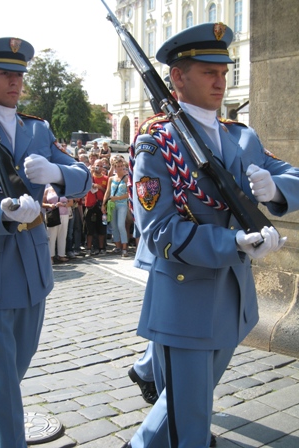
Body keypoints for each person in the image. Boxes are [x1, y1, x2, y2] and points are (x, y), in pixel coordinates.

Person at [123, 22, 299, 448]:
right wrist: (232, 243)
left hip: (235, 301)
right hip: (183, 303)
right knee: (191, 427)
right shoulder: (156, 143)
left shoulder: (242, 136)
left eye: (224, 71)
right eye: (208, 71)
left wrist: (276, 190)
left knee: (189, 406)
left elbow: (292, 176)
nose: (221, 81)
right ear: (178, 77)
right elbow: (158, 231)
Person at [0, 37, 91, 448]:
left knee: (23, 356)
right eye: (5, 73)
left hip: (34, 261)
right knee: (1, 372)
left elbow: (83, 178)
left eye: (19, 74)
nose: (15, 82)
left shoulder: (37, 128)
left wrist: (56, 171)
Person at [102, 156, 129, 257]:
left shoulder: (126, 179)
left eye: (121, 166)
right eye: (118, 166)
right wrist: (104, 204)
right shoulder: (111, 179)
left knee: (121, 225)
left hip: (122, 204)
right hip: (112, 204)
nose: (120, 168)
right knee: (113, 226)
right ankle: (118, 246)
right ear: (114, 167)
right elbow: (108, 192)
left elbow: (129, 194)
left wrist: (118, 198)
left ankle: (125, 248)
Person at [42, 184, 72, 263]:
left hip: (64, 215)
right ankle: (50, 256)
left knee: (62, 235)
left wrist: (64, 204)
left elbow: (71, 202)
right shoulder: (47, 190)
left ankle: (61, 255)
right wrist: (50, 205)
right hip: (52, 215)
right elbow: (42, 203)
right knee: (51, 236)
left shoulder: (65, 189)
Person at [84, 159, 108, 255]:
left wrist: (99, 187)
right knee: (89, 229)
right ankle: (89, 248)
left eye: (101, 165)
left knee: (101, 228)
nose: (99, 167)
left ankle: (101, 248)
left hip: (101, 206)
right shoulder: (89, 177)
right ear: (94, 165)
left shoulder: (106, 178)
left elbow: (107, 192)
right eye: (97, 165)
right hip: (90, 205)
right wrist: (90, 171)